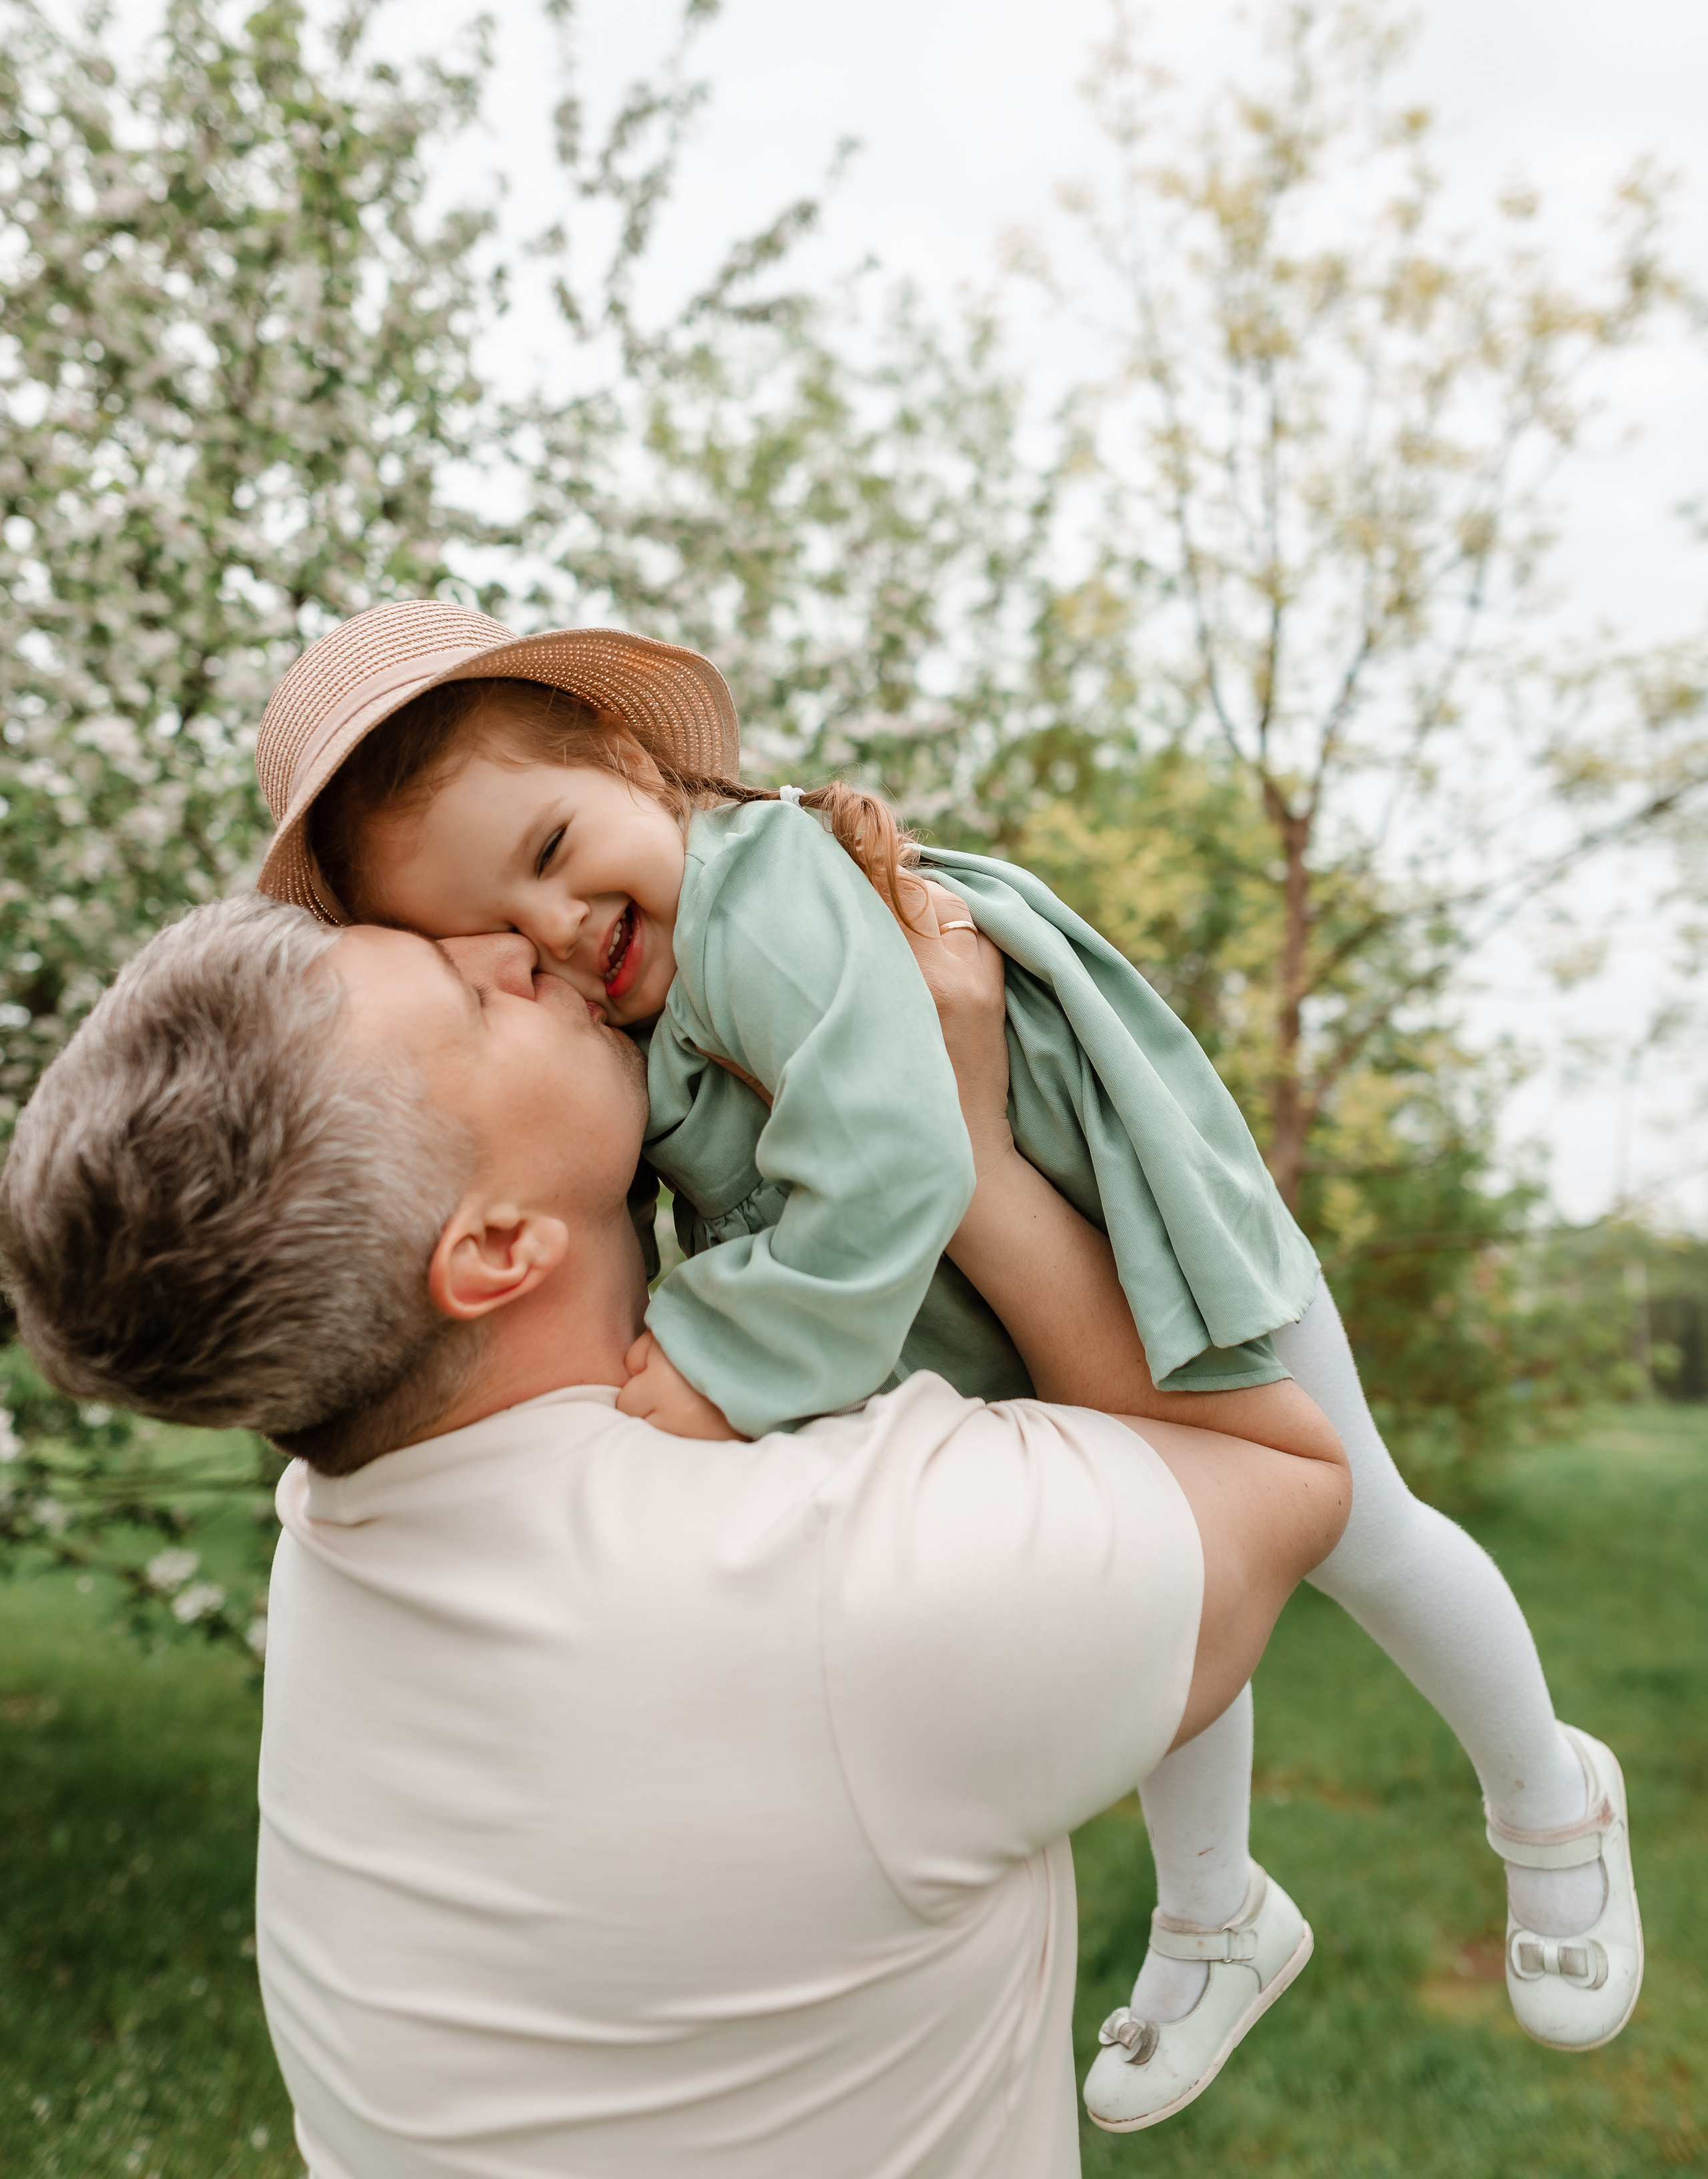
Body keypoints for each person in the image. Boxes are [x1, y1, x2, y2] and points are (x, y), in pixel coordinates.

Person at [249, 601, 1645, 2116]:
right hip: (1007, 1295)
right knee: (1172, 1570)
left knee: (1357, 1522)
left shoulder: (760, 894)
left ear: (627, 759)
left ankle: (1546, 1796)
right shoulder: (631, 1003)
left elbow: (896, 1157)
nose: (559, 937)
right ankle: (1215, 1911)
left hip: (1149, 1227)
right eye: (500, 941)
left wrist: (711, 1362)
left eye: (548, 852)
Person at [0, 887, 1352, 2179]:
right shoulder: (833, 1582)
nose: (511, 948)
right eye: (473, 1002)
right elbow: (1275, 1473)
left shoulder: (341, 1519)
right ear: (493, 1251)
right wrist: (964, 1149)